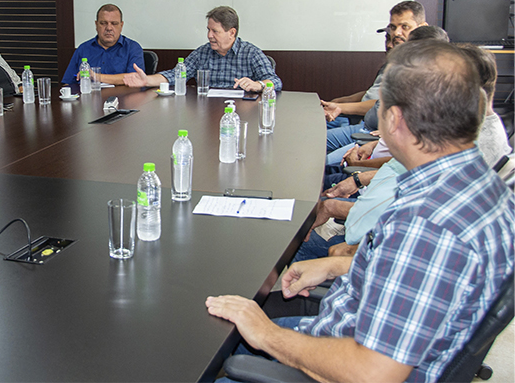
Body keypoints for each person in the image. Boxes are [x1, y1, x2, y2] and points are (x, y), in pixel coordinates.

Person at [206, 40, 514, 382]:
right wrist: (339, 264)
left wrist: (266, 334)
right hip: (353, 328)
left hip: (349, 357)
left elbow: (372, 372)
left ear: (394, 119)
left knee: (230, 345)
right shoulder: (478, 187)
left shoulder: (427, 223)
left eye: (382, 106)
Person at [322, 0, 428, 153]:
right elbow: (372, 93)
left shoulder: (420, 66)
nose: (396, 33)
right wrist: (338, 102)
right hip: (364, 123)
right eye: (393, 27)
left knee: (315, 144)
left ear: (422, 28)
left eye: (404, 27)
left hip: (372, 131)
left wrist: (341, 107)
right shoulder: (398, 59)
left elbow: (384, 104)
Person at [123, 6, 281, 91]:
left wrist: (258, 84)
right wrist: (147, 80)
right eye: (208, 30)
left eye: (215, 31)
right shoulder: (203, 52)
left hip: (239, 113)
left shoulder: (251, 53)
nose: (209, 35)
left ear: (232, 33)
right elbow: (176, 75)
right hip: (207, 112)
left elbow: (275, 81)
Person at [61, 4, 144, 86]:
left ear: (121, 26)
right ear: (96, 25)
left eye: (114, 23)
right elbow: (68, 83)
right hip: (88, 97)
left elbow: (135, 78)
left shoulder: (133, 48)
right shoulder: (83, 49)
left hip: (121, 98)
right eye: (103, 23)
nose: (109, 28)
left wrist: (96, 76)